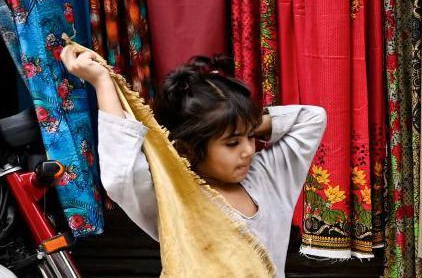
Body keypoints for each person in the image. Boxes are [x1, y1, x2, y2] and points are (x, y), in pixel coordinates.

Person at [60, 46, 326, 278]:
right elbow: (120, 176)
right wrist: (102, 82)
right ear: (189, 147)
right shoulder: (172, 195)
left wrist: (242, 121)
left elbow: (313, 119)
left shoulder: (269, 175)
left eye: (251, 136)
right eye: (232, 142)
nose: (248, 150)